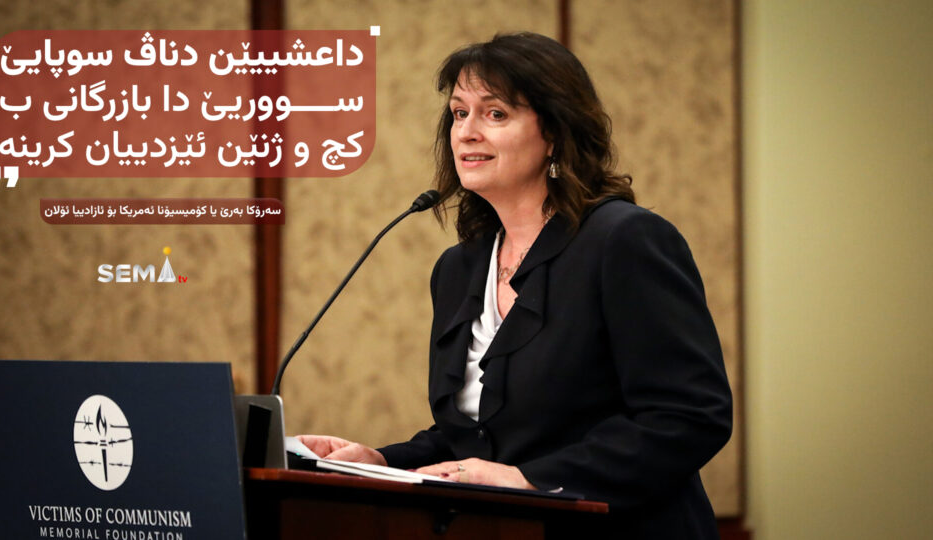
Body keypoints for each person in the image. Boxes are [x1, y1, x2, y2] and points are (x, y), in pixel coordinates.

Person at [298, 32, 733, 538]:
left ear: (554, 133)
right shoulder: (459, 268)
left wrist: (531, 480)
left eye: (495, 114)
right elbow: (480, 438)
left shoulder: (624, 241)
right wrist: (381, 461)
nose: (466, 133)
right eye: (459, 113)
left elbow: (689, 416)